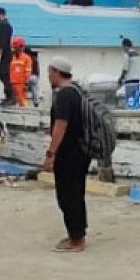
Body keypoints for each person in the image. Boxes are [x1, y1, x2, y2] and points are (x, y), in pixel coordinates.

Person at [42, 58, 90, 252]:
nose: (48, 76)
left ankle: (76, 240)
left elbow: (60, 126)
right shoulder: (77, 91)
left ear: (56, 72)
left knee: (67, 195)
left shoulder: (64, 95)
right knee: (77, 193)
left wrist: (51, 153)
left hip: (68, 153)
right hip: (81, 151)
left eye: (50, 72)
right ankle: (77, 234)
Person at [0, 7, 15, 104]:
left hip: (4, 55)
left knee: (5, 75)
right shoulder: (2, 25)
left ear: (1, 15)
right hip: (3, 54)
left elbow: (3, 41)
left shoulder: (5, 26)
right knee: (3, 75)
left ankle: (11, 97)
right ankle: (8, 96)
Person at [9, 37, 34, 107]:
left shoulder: (26, 58)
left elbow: (28, 72)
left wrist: (26, 83)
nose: (15, 50)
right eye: (14, 48)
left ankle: (24, 114)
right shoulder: (11, 57)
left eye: (17, 48)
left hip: (21, 84)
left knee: (22, 101)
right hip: (11, 83)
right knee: (13, 102)